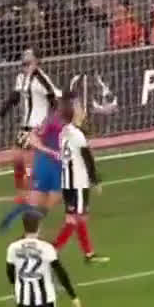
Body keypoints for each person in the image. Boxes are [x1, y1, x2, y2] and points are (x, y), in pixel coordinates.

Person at [0, 50, 63, 204]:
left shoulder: (41, 79)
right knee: (17, 157)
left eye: (29, 56)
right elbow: (14, 97)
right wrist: (1, 113)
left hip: (36, 126)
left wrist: (47, 124)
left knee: (29, 161)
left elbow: (54, 101)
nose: (25, 58)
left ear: (36, 61)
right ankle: (24, 193)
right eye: (24, 56)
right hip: (25, 126)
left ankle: (36, 193)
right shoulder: (21, 77)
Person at [0, 95, 71, 232]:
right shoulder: (52, 122)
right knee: (45, 199)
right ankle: (21, 225)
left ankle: (23, 225)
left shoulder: (61, 122)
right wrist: (48, 151)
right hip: (48, 165)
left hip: (54, 165)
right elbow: (33, 138)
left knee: (46, 200)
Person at [55, 101, 109, 264]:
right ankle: (52, 251)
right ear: (73, 114)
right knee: (75, 220)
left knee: (77, 219)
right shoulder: (77, 135)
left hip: (67, 182)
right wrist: (95, 181)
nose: (82, 110)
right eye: (78, 108)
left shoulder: (64, 132)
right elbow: (87, 159)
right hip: (78, 182)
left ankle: (88, 253)